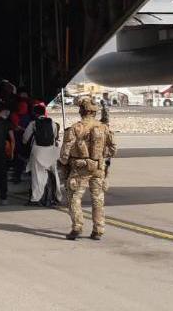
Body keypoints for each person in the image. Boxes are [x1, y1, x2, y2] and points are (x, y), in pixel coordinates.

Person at [58, 97, 117, 240]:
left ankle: (77, 227)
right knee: (98, 199)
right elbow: (113, 149)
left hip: (80, 169)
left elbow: (65, 152)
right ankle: (98, 229)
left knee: (74, 197)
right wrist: (100, 157)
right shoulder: (103, 128)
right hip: (98, 168)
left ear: (81, 111)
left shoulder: (75, 128)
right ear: (94, 112)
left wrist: (64, 163)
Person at [22, 102, 59, 206]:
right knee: (54, 174)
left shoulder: (33, 123)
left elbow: (25, 138)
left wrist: (25, 144)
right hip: (51, 151)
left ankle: (35, 199)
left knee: (37, 176)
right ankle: (56, 197)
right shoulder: (53, 123)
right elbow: (55, 136)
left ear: (35, 114)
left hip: (38, 151)